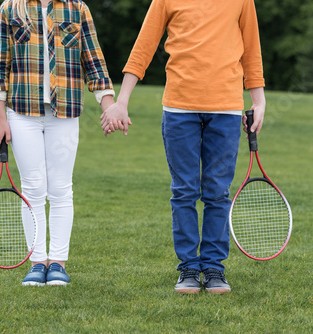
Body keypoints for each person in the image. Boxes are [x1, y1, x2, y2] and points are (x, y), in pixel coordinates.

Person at [102, 0, 266, 294]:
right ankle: (189, 267)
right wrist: (121, 101)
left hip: (226, 109)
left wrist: (259, 100)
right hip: (179, 109)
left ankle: (214, 267)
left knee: (217, 191)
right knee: (184, 190)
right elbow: (144, 46)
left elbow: (252, 49)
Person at [0, 0, 115, 286]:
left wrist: (109, 107)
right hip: (21, 113)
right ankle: (37, 263)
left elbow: (94, 61)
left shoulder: (77, 8)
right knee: (32, 188)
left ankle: (57, 263)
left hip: (65, 112)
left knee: (60, 188)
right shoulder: (10, 8)